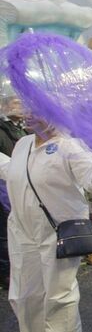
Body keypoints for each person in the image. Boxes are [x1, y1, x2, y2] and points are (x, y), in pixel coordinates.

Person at [0, 113, 92, 332]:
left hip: (58, 231)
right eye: (27, 108)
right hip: (22, 232)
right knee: (24, 295)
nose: (28, 114)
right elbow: (13, 173)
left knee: (58, 293)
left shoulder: (69, 145)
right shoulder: (23, 144)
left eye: (35, 109)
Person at [0, 95, 28, 289]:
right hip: (4, 184)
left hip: (18, 183)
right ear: (5, 106)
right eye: (16, 103)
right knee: (5, 229)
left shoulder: (23, 129)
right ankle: (6, 272)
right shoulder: (4, 129)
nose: (21, 107)